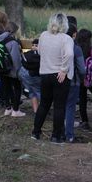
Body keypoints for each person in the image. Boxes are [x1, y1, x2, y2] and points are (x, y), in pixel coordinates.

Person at [32, 13, 74, 144]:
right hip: (59, 75)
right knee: (59, 106)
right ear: (65, 24)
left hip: (45, 73)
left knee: (44, 104)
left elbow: (39, 51)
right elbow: (69, 54)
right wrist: (64, 69)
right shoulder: (66, 38)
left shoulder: (44, 35)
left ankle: (36, 132)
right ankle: (56, 136)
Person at [0, 18, 25, 117]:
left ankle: (8, 108)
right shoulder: (13, 42)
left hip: (1, 68)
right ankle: (16, 110)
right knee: (17, 88)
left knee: (6, 88)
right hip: (12, 70)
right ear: (14, 31)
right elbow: (16, 59)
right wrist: (18, 71)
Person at [64, 24, 86, 143]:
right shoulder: (76, 48)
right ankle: (69, 135)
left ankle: (58, 132)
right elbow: (82, 68)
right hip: (73, 81)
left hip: (58, 80)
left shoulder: (58, 45)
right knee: (70, 108)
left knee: (60, 106)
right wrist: (82, 78)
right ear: (74, 34)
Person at [19, 39, 41, 113]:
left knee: (32, 93)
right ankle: (42, 111)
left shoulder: (27, 54)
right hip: (36, 76)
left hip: (25, 75)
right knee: (39, 93)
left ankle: (36, 111)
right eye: (33, 45)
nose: (34, 47)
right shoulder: (42, 55)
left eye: (36, 46)